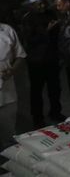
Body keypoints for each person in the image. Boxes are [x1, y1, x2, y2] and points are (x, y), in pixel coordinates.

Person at [21, 0, 64, 128]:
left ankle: (55, 113)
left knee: (55, 88)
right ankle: (37, 118)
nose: (42, 6)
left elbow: (57, 36)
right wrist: (46, 30)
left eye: (43, 3)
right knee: (37, 91)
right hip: (36, 61)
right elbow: (29, 42)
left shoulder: (50, 14)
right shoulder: (28, 19)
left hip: (51, 58)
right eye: (38, 4)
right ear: (32, 5)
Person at [0, 20, 27, 149]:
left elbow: (20, 55)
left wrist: (12, 70)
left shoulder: (7, 30)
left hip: (7, 92)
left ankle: (8, 163)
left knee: (8, 134)